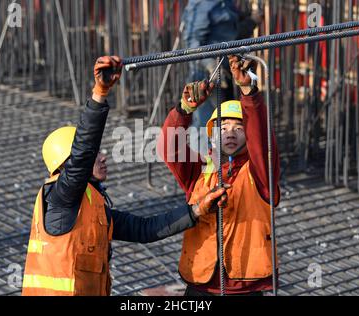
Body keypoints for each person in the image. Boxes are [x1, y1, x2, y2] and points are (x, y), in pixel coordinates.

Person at [21, 56, 229, 296]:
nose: (103, 157)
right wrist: (100, 93)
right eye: (95, 155)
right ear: (67, 165)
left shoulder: (93, 208)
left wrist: (196, 211)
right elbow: (83, 151)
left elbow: (145, 229)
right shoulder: (61, 198)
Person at [157, 55, 280, 296]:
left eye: (238, 128)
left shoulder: (260, 173)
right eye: (222, 128)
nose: (230, 133)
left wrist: (249, 92)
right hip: (201, 282)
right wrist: (184, 110)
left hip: (244, 286)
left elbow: (261, 139)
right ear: (213, 134)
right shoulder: (200, 171)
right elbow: (170, 148)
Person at [182, 0, 261, 152]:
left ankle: (220, 169)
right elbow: (192, 45)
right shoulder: (200, 5)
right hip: (205, 76)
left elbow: (231, 35)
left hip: (225, 72)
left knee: (222, 124)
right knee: (205, 125)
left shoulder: (226, 3)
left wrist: (251, 21)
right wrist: (212, 66)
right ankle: (203, 169)